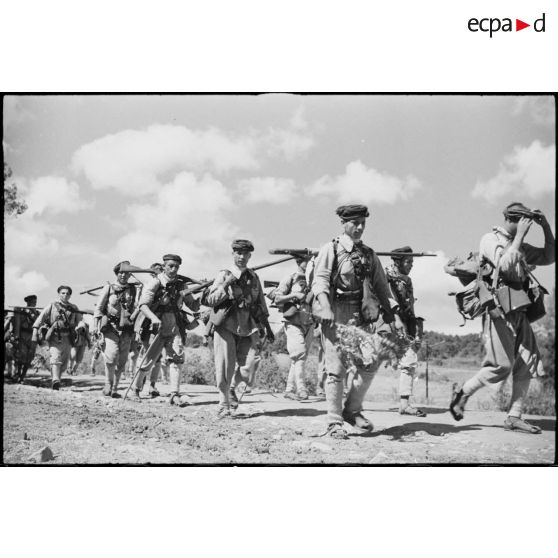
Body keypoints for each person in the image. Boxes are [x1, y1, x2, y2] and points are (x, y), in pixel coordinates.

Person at [450, 203, 555, 434]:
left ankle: (514, 416)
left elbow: (550, 256)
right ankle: (463, 393)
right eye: (522, 221)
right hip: (498, 309)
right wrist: (519, 237)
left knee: (529, 360)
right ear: (511, 220)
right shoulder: (490, 239)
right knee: (501, 366)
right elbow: (505, 266)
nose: (525, 226)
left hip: (519, 308)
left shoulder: (521, 244)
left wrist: (545, 226)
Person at [311, 204, 404, 439]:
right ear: (344, 223)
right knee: (336, 369)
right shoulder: (330, 249)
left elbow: (382, 288)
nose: (360, 227)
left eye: (363, 223)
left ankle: (352, 410)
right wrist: (324, 306)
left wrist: (394, 316)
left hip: (361, 314)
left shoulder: (369, 255)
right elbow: (320, 280)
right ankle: (334, 422)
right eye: (355, 223)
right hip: (335, 312)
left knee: (371, 361)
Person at [203, 239, 274, 418]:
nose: (241, 257)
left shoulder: (253, 277)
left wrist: (265, 326)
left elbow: (260, 304)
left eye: (245, 254)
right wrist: (227, 285)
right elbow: (210, 300)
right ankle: (223, 403)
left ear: (250, 255)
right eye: (238, 253)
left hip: (248, 326)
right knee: (225, 365)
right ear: (233, 254)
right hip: (226, 324)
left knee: (249, 366)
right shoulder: (224, 274)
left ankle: (232, 389)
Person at [129, 254, 199, 405]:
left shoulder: (182, 285)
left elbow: (193, 305)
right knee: (148, 359)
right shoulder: (155, 282)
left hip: (175, 325)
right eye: (170, 266)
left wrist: (205, 292)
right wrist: (154, 318)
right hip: (156, 326)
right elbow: (143, 305)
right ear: (164, 266)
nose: (173, 269)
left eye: (176, 267)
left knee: (177, 357)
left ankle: (175, 393)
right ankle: (136, 388)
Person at [385, 247, 426, 416]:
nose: (411, 266)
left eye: (412, 262)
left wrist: (415, 328)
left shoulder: (407, 281)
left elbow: (410, 306)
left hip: (404, 325)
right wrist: (396, 319)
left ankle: (404, 404)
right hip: (385, 325)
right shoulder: (384, 277)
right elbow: (385, 300)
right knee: (366, 363)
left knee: (409, 361)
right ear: (397, 261)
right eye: (408, 262)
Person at [273, 254, 314, 400]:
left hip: (309, 322)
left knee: (299, 358)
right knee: (299, 354)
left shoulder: (314, 279)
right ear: (299, 262)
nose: (311, 262)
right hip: (293, 321)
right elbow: (277, 298)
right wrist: (294, 295)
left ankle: (289, 389)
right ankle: (302, 388)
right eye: (308, 260)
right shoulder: (290, 278)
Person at [93, 261, 137, 398]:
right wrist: (95, 326)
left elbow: (136, 308)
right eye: (120, 272)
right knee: (111, 358)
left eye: (126, 273)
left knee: (122, 360)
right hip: (111, 328)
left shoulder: (134, 289)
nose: (123, 275)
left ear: (130, 274)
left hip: (126, 329)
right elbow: (99, 308)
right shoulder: (109, 288)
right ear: (116, 273)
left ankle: (115, 388)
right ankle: (108, 383)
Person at [32, 286, 85, 390]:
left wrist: (81, 327)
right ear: (59, 294)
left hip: (68, 338)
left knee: (64, 363)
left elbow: (80, 320)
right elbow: (40, 318)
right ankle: (55, 379)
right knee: (55, 358)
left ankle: (57, 380)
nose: (65, 295)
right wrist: (35, 332)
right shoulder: (52, 306)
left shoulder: (74, 308)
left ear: (70, 295)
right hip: (54, 337)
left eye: (67, 293)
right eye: (63, 293)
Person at [6, 295, 40, 383]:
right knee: (21, 355)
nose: (34, 303)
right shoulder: (22, 311)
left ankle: (22, 376)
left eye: (35, 301)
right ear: (28, 302)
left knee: (30, 356)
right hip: (23, 335)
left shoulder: (38, 313)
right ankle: (18, 373)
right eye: (32, 302)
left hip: (33, 335)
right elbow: (16, 323)